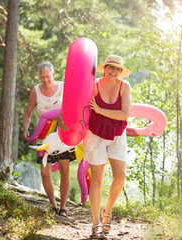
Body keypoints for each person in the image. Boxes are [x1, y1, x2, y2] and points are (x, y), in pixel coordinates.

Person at [85, 55, 131, 239]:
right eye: (110, 67)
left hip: (117, 135)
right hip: (95, 134)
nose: (113, 72)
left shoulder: (124, 86)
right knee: (97, 179)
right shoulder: (94, 85)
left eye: (117, 69)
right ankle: (95, 223)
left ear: (120, 71)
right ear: (105, 68)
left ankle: (107, 213)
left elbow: (124, 115)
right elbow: (82, 106)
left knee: (120, 176)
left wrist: (100, 109)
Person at [22, 61, 75, 218]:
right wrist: (25, 128)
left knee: (64, 171)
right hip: (44, 138)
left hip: (63, 137)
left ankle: (63, 207)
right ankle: (53, 205)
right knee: (45, 172)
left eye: (47, 77)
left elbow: (74, 107)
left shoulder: (64, 87)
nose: (45, 80)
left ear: (53, 74)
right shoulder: (36, 91)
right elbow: (27, 114)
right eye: (42, 77)